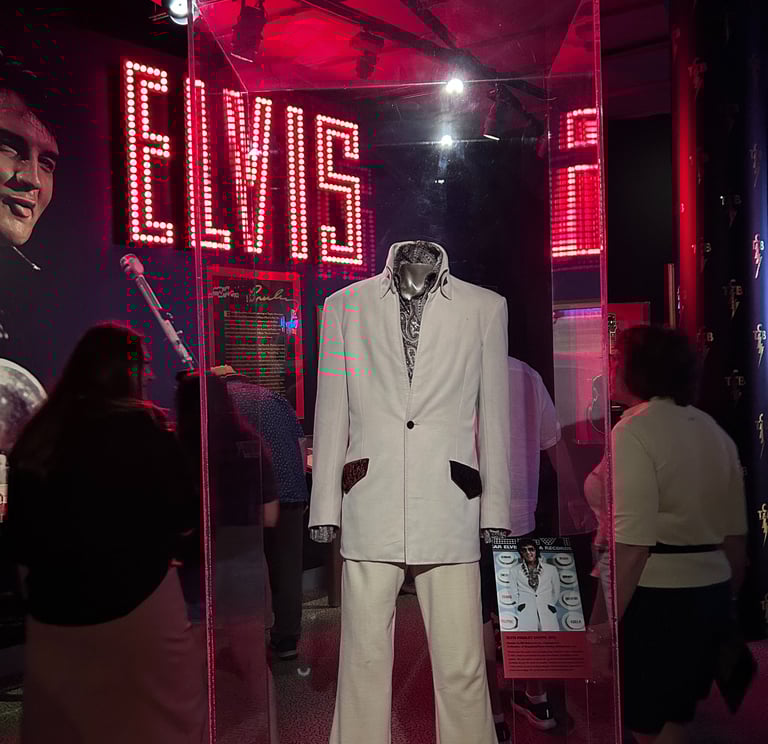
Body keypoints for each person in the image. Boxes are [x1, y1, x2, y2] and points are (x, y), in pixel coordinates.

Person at [6, 323, 205, 744]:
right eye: (144, 366)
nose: (149, 375)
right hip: (140, 608)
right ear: (127, 371)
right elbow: (185, 512)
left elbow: (20, 538)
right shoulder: (145, 430)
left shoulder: (40, 436)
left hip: (54, 619)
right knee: (158, 725)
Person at [607, 326, 748, 744]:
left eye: (616, 359)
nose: (611, 367)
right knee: (675, 716)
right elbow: (735, 540)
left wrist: (605, 622)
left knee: (651, 722)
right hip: (711, 591)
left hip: (658, 599)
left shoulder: (633, 431)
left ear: (636, 369)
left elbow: (633, 546)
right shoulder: (713, 430)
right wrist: (724, 600)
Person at [175, 371, 279, 743]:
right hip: (245, 563)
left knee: (193, 672)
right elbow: (270, 516)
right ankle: (270, 734)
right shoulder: (251, 443)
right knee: (254, 664)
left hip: (196, 570)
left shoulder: (180, 449)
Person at [211, 365, 308, 661]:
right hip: (289, 491)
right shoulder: (274, 398)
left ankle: (243, 640)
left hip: (247, 498)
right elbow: (300, 444)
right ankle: (287, 639)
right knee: (287, 569)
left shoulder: (217, 402)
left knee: (241, 570)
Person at [511, 539, 560, 631]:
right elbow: (513, 591)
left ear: (536, 550)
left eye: (531, 549)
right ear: (521, 553)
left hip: (547, 609)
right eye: (524, 550)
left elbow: (556, 590)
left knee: (551, 635)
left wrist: (550, 604)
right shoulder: (515, 570)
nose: (528, 553)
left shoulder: (551, 569)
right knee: (528, 637)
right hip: (526, 611)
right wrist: (521, 605)